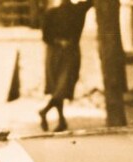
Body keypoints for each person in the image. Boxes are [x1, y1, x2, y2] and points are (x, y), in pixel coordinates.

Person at [39, 0, 93, 132]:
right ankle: (60, 119)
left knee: (61, 86)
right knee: (60, 87)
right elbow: (45, 36)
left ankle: (46, 112)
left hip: (65, 52)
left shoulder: (75, 10)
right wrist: (59, 42)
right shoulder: (59, 12)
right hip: (59, 52)